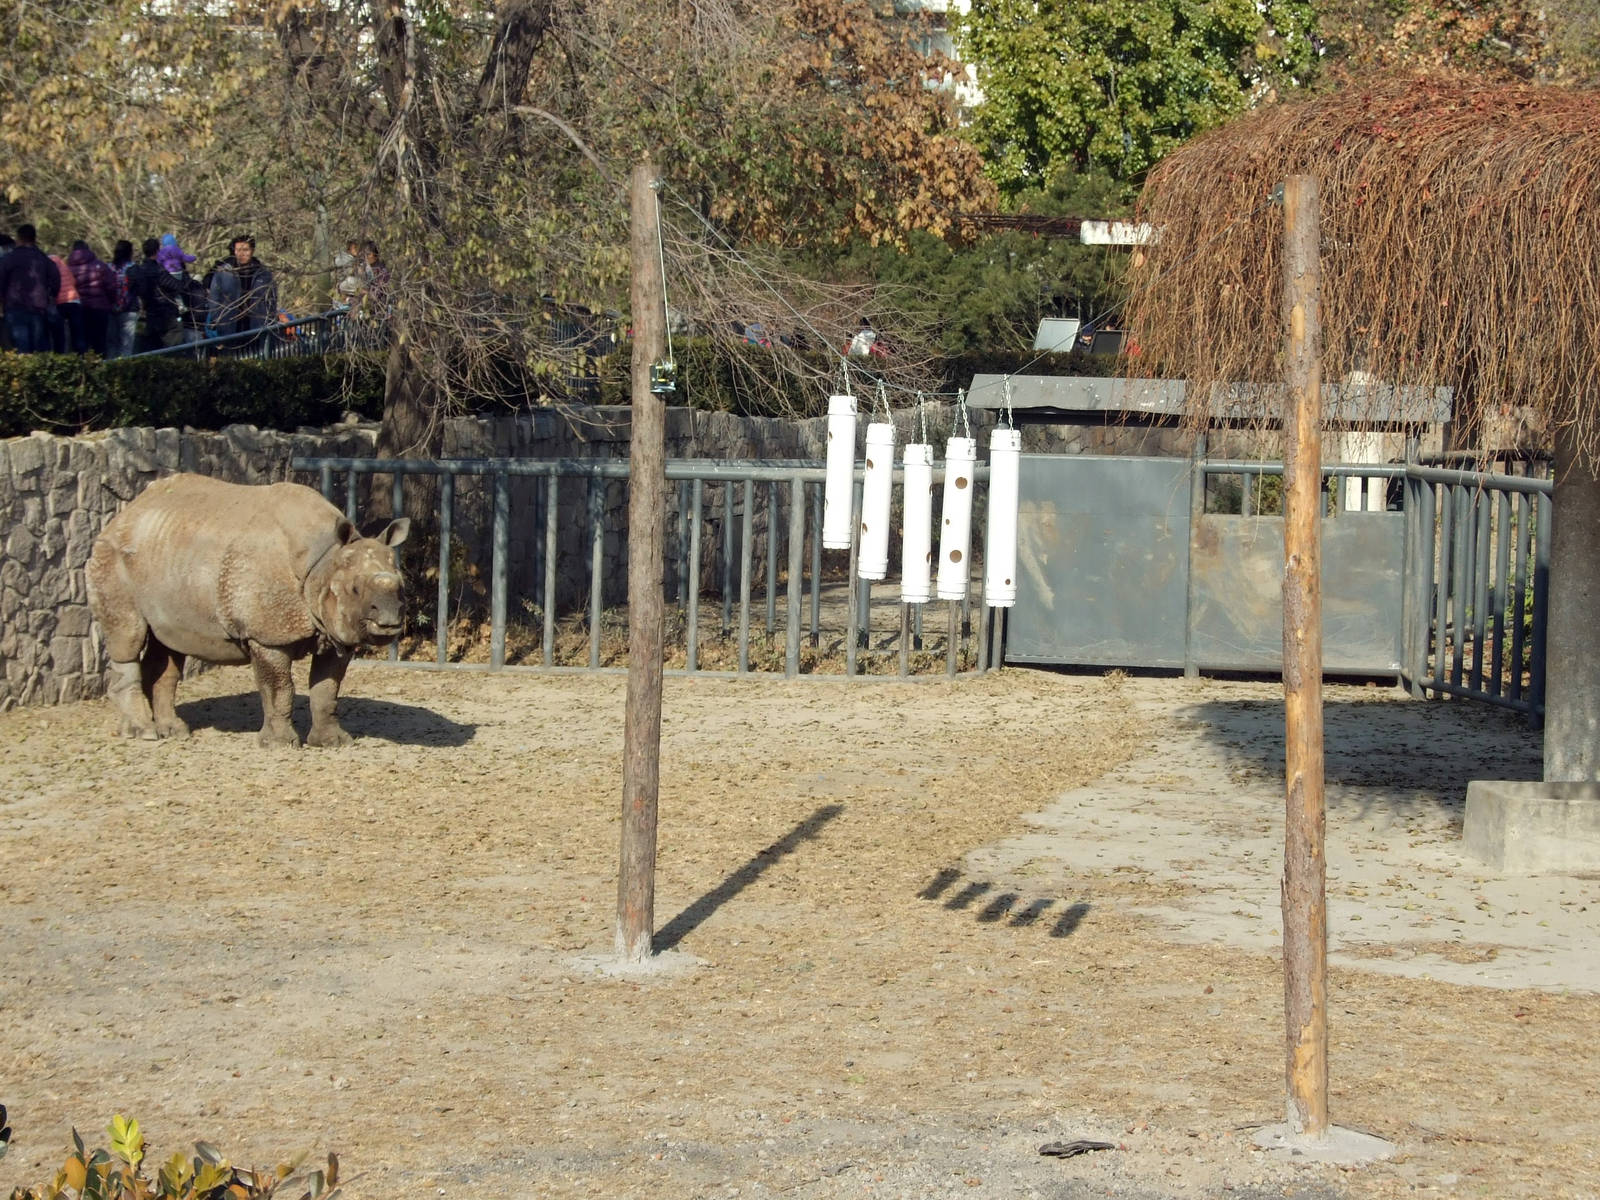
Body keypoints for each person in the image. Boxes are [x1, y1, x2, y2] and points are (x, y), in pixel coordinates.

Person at [207, 234, 278, 347]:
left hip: (256, 327)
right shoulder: (223, 273)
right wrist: (219, 321)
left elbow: (271, 300)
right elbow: (214, 300)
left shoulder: (263, 274)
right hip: (230, 327)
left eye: (245, 250)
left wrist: (268, 320)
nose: (241, 254)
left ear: (252, 251)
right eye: (238, 250)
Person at [0, 224, 61, 354]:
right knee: (39, 346)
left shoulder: (9, 258)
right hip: (38, 306)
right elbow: (56, 278)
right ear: (34, 238)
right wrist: (51, 296)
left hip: (14, 306)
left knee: (21, 346)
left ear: (19, 238)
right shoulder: (43, 258)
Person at [67, 240, 119, 357]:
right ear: (88, 249)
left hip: (78, 309)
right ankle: (100, 365)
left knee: (81, 343)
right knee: (100, 343)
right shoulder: (100, 266)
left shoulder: (68, 268)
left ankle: (82, 366)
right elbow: (111, 286)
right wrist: (111, 302)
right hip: (100, 308)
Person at [128, 237, 180, 353]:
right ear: (157, 251)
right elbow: (175, 286)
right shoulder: (159, 270)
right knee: (173, 343)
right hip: (166, 313)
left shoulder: (140, 270)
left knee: (151, 347)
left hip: (149, 313)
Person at [106, 240, 139, 359]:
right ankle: (124, 367)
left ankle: (110, 367)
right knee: (126, 345)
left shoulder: (108, 268)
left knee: (111, 343)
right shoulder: (134, 268)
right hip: (129, 309)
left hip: (110, 309)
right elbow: (141, 288)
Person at [48, 244, 82, 352]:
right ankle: (81, 355)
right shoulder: (64, 266)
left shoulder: (48, 266)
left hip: (59, 302)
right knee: (77, 331)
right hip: (74, 299)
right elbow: (73, 281)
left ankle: (61, 354)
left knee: (59, 332)